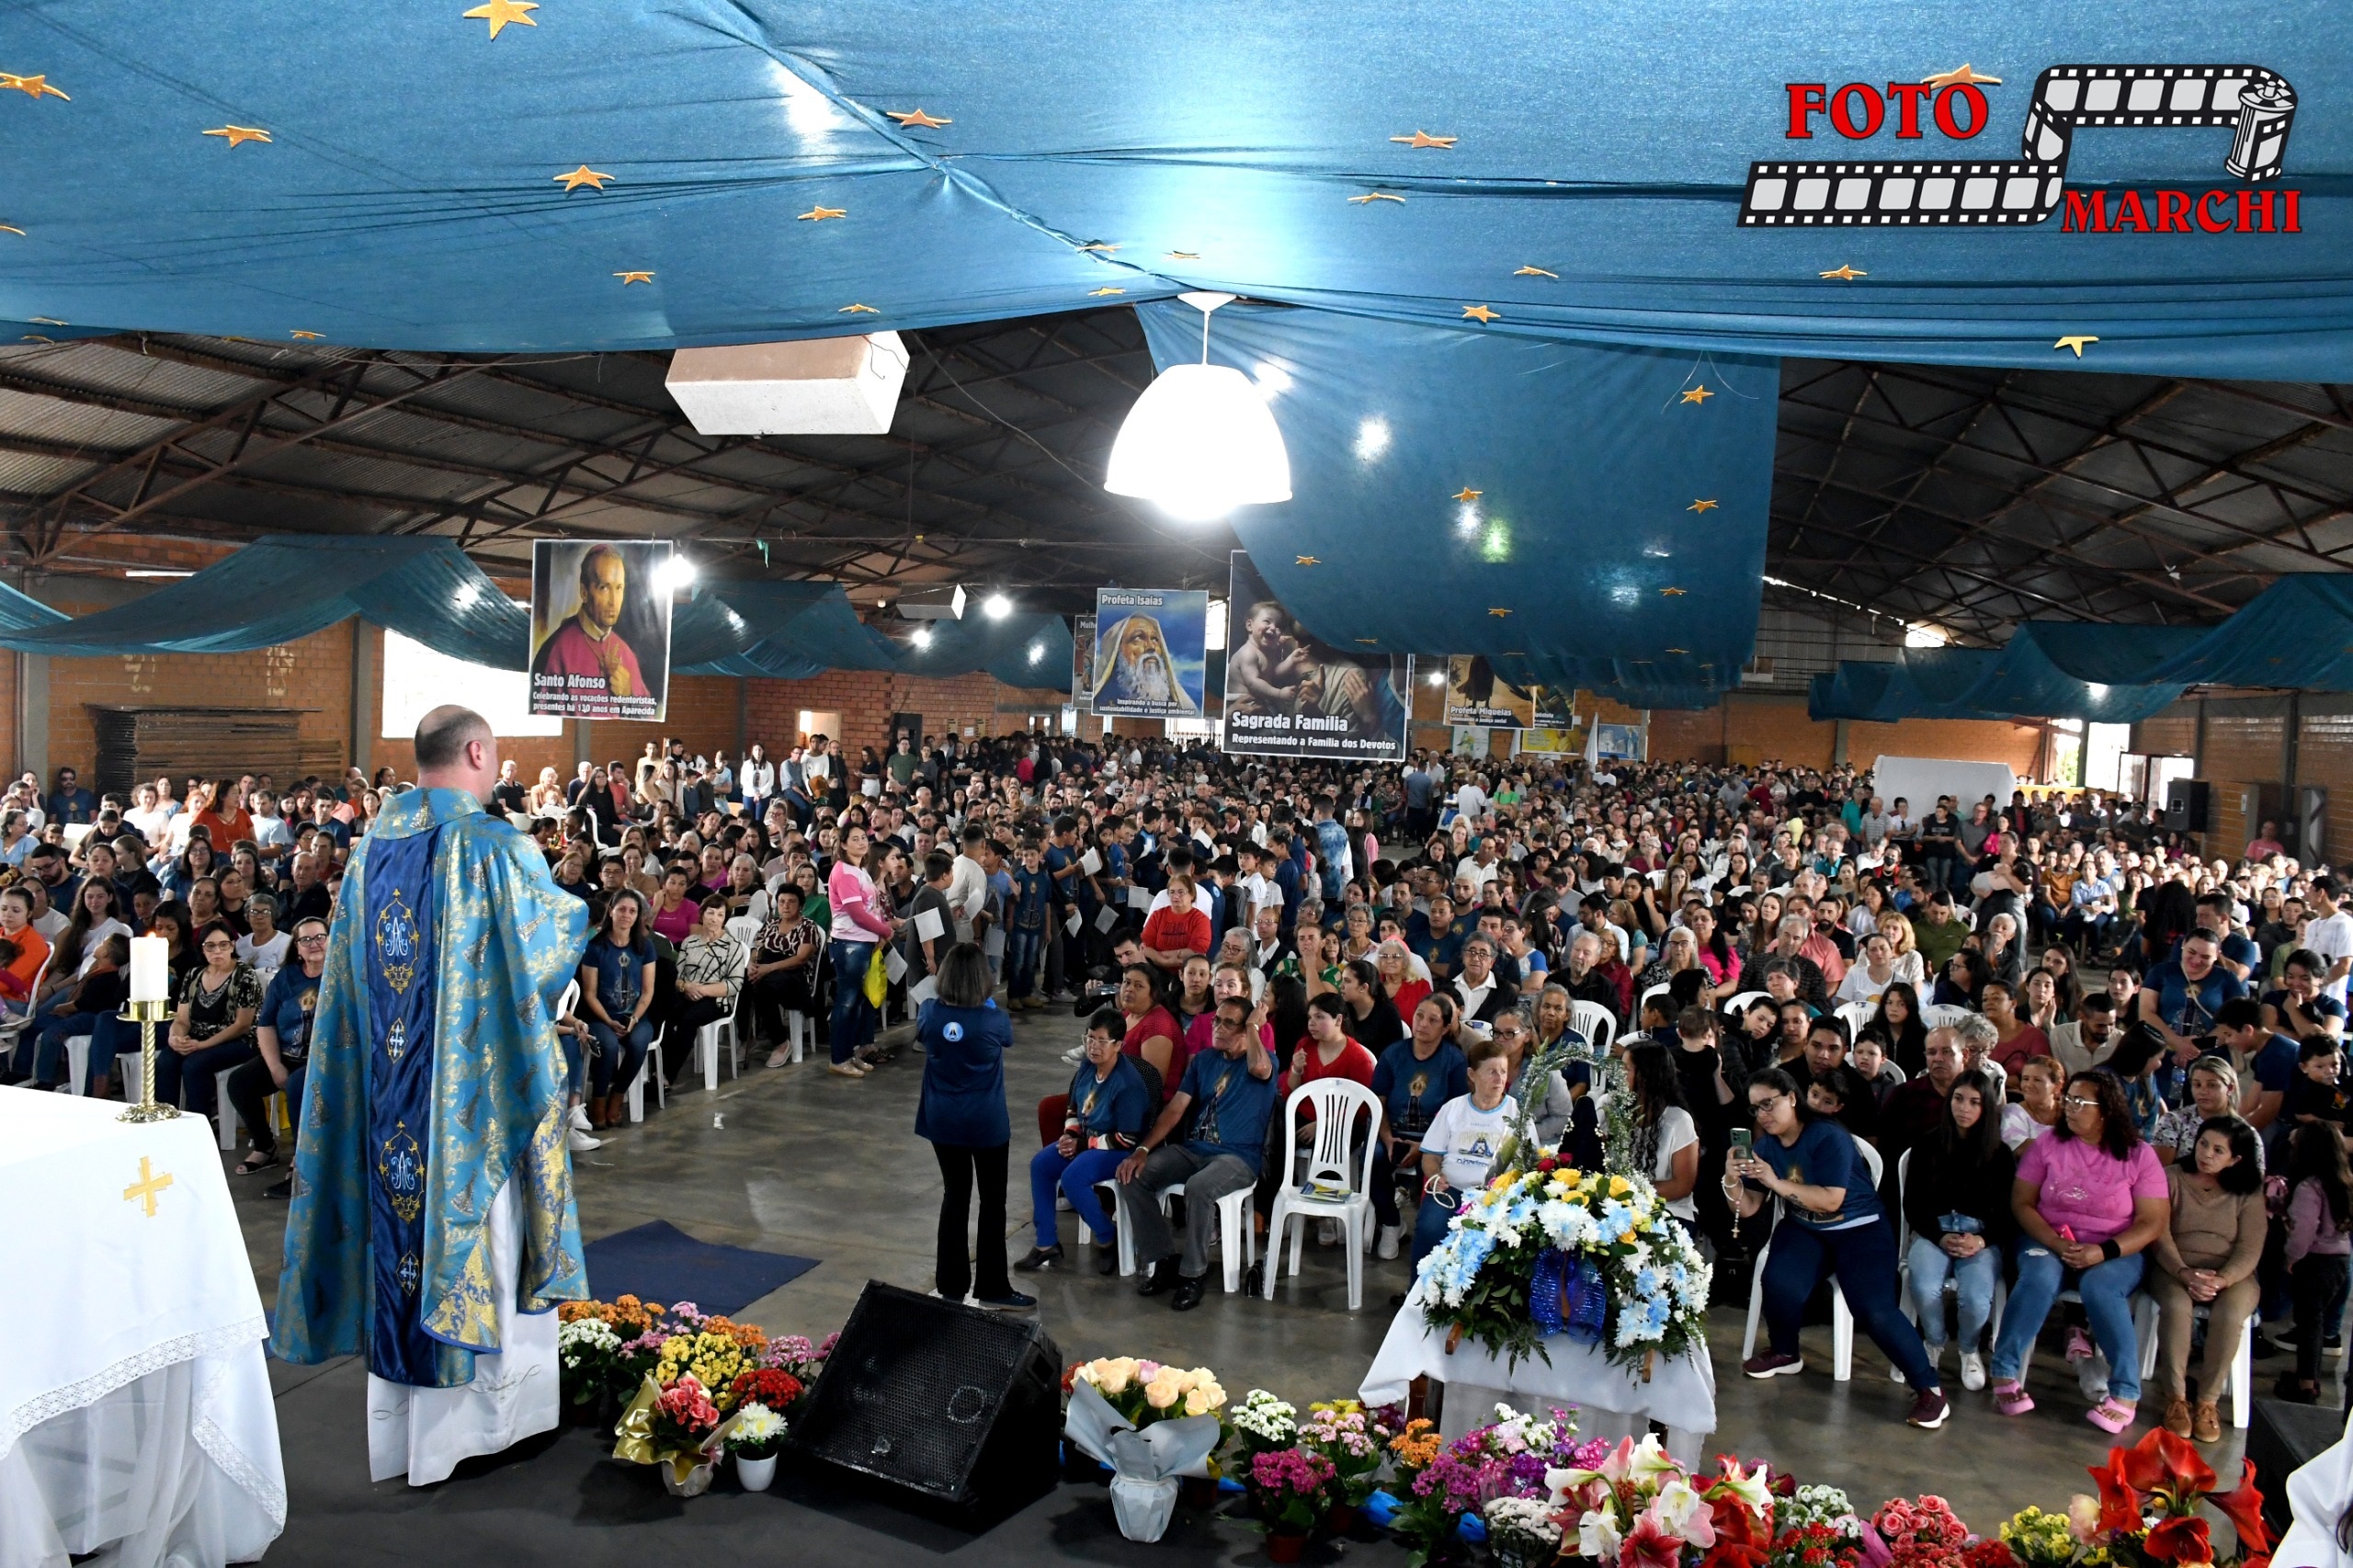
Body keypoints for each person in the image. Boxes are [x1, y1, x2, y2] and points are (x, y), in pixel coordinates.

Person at [274, 706, 591, 1488]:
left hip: (385, 1103)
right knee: (488, 1237)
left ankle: (409, 1435)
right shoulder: (490, 844)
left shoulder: (374, 845)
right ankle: (486, 1428)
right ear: (478, 752)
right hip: (468, 1109)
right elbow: (547, 943)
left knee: (399, 1243)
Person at [1727, 1067, 1949, 1429]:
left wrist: (1774, 1181)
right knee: (1779, 1279)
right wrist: (1730, 1179)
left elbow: (1831, 1200)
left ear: (1792, 1098)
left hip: (1860, 1228)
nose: (1763, 1114)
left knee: (1873, 1308)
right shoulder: (1766, 1145)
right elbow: (1749, 1207)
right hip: (1805, 1227)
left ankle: (1930, 1388)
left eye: (1769, 1104)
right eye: (1755, 1108)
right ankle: (1785, 1351)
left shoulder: (1827, 1135)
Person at [1988, 1068, 2170, 1433]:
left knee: (2100, 1288)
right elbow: (2022, 1203)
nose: (2068, 1108)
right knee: (2038, 1276)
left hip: (2114, 1248)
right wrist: (2055, 1242)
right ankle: (2004, 1372)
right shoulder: (2047, 1145)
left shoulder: (2138, 1155)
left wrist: (2104, 1251)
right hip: (2048, 1239)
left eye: (2079, 1102)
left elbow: (2153, 1222)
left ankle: (2125, 1392)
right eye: (2067, 1099)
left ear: (2105, 1110)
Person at [1115, 994, 1279, 1312]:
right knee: (1133, 1175)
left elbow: (1259, 1067)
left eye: (1229, 1023)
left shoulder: (1265, 1060)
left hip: (1238, 1158)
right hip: (1195, 1150)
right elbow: (1176, 1108)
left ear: (1246, 1031)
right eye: (1217, 1019)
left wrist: (1254, 1026)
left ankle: (1193, 1274)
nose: (1217, 1027)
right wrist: (1143, 1149)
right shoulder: (1204, 1061)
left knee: (1199, 1187)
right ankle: (1163, 1258)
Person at [915, 944, 1029, 1311]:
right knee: (992, 1201)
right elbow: (1008, 1039)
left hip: (942, 1118)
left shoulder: (930, 1013)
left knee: (955, 1195)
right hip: (986, 1121)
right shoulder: (994, 1020)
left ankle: (950, 1284)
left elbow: (924, 1033)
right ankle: (992, 1284)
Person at [2145, 1116, 2265, 1442]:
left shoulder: (2249, 1192)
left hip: (2231, 1276)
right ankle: (2176, 1399)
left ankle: (2208, 1403)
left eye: (2218, 1150)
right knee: (2175, 1307)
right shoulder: (2171, 1177)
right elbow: (2158, 1232)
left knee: (2230, 1315)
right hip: (2174, 1267)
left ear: (2236, 1158)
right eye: (2202, 1144)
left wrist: (2221, 1280)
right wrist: (2184, 1272)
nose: (2206, 1154)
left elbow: (2250, 1248)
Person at [1901, 1069, 2014, 1392]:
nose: (1964, 1108)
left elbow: (2007, 1213)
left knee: (1977, 1299)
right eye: (1959, 1099)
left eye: (1974, 1102)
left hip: (1980, 1236)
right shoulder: (1927, 1144)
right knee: (1923, 1286)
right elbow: (1913, 1205)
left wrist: (1982, 1240)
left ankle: (1968, 1348)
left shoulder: (2000, 1154)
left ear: (1986, 1107)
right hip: (1934, 1230)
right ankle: (1933, 1343)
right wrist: (1938, 1236)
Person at [225, 915, 328, 1189]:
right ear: (296, 946)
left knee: (296, 1086)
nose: (313, 944)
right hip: (286, 1055)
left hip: (326, 1061)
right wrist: (274, 1067)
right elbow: (266, 1024)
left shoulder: (341, 976)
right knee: (240, 1082)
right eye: (305, 939)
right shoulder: (287, 977)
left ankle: (302, 1162)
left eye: (320, 937)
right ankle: (265, 1146)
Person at [1370, 995, 1471, 1262]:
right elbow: (1378, 1102)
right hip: (1392, 1132)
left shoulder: (1454, 1061)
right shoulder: (1393, 1054)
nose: (1423, 1024)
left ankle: (1428, 1233)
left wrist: (1426, 1146)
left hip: (1435, 1140)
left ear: (1446, 1027)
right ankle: (1391, 1223)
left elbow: (1456, 1112)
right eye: (1419, 1016)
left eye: (1433, 1020)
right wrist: (1388, 1138)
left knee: (1433, 1168)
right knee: (1375, 1157)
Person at [1411, 1037, 1519, 1266]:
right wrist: (1434, 1175)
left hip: (1494, 1197)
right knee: (1430, 1228)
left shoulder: (1516, 1112)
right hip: (1451, 1190)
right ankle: (1418, 1296)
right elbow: (1430, 1156)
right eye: (1491, 1071)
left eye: (1503, 1071)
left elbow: (1527, 1163)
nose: (1499, 1078)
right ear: (1472, 1075)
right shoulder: (1454, 1108)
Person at [2277, 1120, 2353, 1404]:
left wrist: (2291, 1258)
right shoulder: (2343, 1181)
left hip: (2315, 1261)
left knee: (2309, 1323)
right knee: (2316, 1322)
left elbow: (2303, 1230)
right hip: (2341, 1260)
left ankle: (2306, 1385)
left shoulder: (2309, 1187)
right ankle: (2307, 1376)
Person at [153, 924, 262, 1118]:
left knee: (194, 1065)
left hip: (240, 1040)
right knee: (166, 1060)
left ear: (232, 946)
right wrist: (174, 1037)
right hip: (198, 1037)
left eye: (223, 945)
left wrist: (203, 1045)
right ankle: (166, 1120)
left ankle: (201, 1125)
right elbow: (182, 1018)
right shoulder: (193, 974)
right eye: (210, 946)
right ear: (202, 948)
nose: (217, 951)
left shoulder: (245, 975)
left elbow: (242, 1024)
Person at [529, 544, 650, 713]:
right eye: (604, 587)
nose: (613, 601)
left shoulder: (625, 652)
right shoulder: (557, 649)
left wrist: (628, 696)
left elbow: (646, 714)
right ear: (584, 592)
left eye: (619, 588)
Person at [826, 824, 897, 1078]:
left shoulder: (859, 871)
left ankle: (848, 1053)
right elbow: (856, 913)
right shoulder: (844, 872)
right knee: (846, 1001)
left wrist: (878, 931)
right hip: (849, 943)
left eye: (862, 838)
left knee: (855, 1002)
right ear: (843, 844)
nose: (860, 842)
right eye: (854, 839)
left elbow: (871, 908)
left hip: (862, 941)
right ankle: (839, 1057)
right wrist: (885, 930)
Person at [665, 894, 747, 1086]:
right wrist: (686, 986)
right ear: (701, 915)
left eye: (720, 914)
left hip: (718, 1000)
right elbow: (676, 977)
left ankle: (666, 1077)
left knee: (688, 1020)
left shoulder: (733, 946)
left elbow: (735, 984)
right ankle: (658, 1069)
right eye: (711, 913)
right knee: (664, 1018)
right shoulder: (689, 942)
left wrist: (701, 989)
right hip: (687, 993)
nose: (715, 919)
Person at [1620, 1040, 1701, 1227]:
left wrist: (1627, 1192)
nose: (1619, 1075)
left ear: (1646, 1076)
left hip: (1668, 1209)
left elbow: (1681, 1186)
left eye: (1626, 1069)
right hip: (1619, 1207)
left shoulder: (1679, 1121)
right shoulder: (1610, 1107)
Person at [746, 883, 824, 1067]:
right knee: (744, 983)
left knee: (762, 986)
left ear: (801, 905)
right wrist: (752, 964)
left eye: (791, 902)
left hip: (796, 978)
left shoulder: (808, 927)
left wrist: (768, 968)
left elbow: (800, 959)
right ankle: (745, 1038)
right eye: (781, 902)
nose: (786, 906)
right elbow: (756, 947)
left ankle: (781, 1043)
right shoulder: (771, 925)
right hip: (768, 972)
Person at [2001, 1055, 2066, 1149]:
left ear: (2057, 1086)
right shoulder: (2013, 1112)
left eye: (2037, 1080)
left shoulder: (2068, 1112)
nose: (2029, 1085)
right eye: (2025, 1079)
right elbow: (2020, 1149)